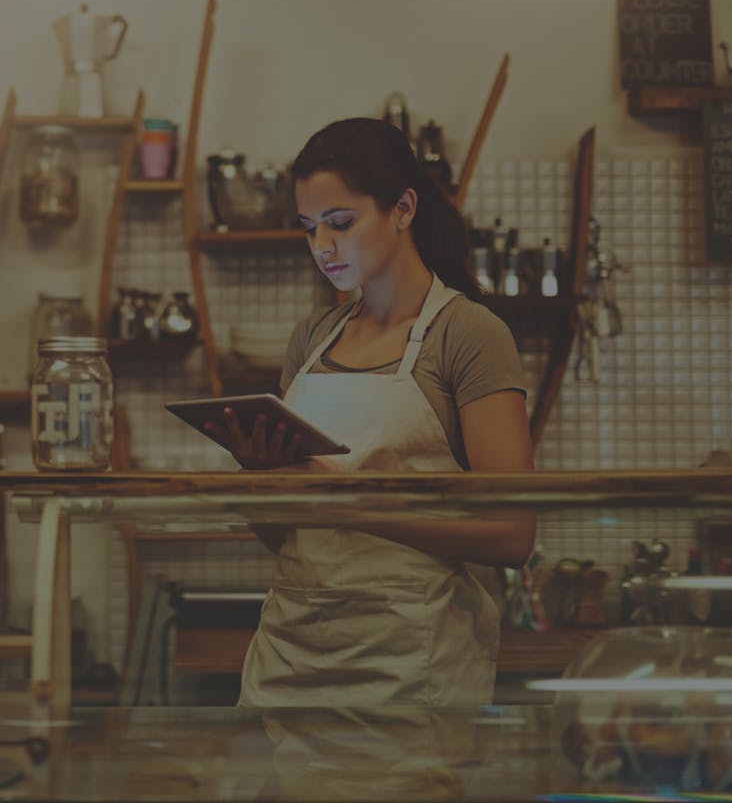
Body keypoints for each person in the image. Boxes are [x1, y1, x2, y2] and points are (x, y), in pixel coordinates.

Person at [205, 117, 535, 708]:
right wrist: (263, 481)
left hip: (410, 673)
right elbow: (284, 537)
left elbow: (512, 535)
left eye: (341, 223)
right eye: (309, 229)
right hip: (289, 658)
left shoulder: (468, 334)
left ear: (403, 208)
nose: (322, 248)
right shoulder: (313, 338)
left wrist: (347, 501)